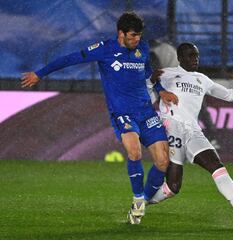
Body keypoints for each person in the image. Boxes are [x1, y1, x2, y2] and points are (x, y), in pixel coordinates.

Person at [21, 12, 178, 225]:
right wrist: (40, 73)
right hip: (122, 113)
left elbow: (148, 72)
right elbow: (70, 58)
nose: (136, 40)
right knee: (134, 151)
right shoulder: (104, 49)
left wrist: (160, 90)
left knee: (163, 161)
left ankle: (143, 201)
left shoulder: (141, 48)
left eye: (139, 36)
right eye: (132, 36)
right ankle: (138, 198)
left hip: (146, 111)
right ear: (120, 33)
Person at [147, 42, 233, 221]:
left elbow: (228, 95)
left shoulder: (202, 79)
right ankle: (142, 201)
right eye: (190, 55)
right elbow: (147, 91)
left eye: (196, 55)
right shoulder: (165, 74)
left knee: (216, 165)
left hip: (193, 132)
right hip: (172, 128)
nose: (195, 59)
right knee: (173, 187)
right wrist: (151, 82)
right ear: (180, 58)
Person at [149, 39, 221, 150]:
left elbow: (156, 73)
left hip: (172, 85)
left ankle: (178, 143)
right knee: (197, 110)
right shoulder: (169, 48)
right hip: (184, 82)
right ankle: (210, 138)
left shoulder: (152, 53)